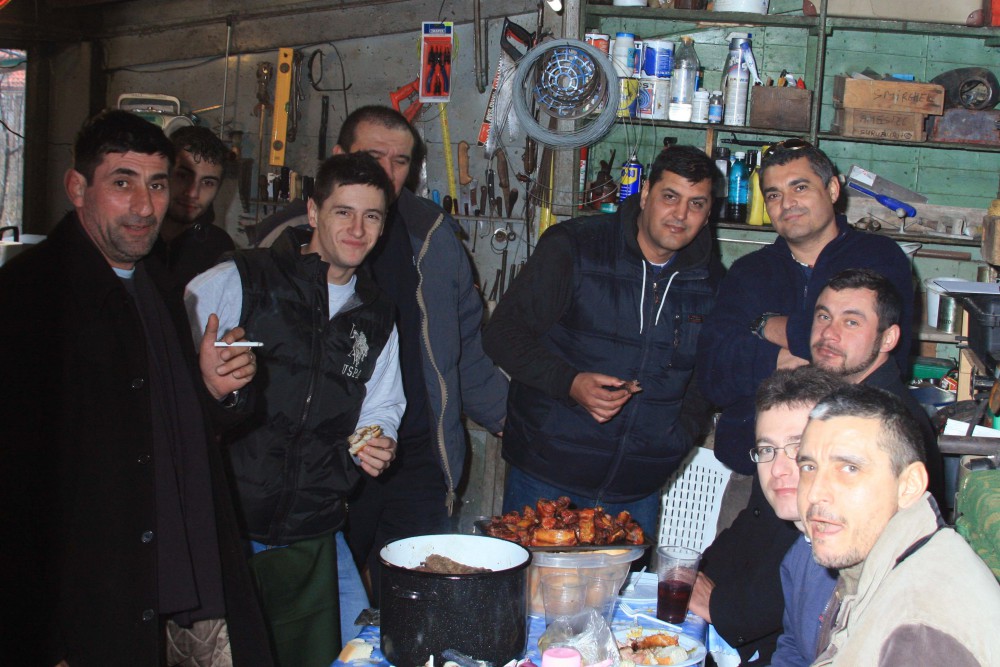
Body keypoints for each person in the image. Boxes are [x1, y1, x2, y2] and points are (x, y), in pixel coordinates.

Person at [0, 109, 272, 666]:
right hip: (85, 608)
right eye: (122, 183)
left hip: (165, 582)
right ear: (78, 188)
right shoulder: (27, 299)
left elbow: (159, 433)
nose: (145, 207)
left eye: (157, 185)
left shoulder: (158, 288)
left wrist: (212, 391)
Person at [185, 152, 404, 666]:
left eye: (371, 216)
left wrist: (378, 437)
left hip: (315, 527)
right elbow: (168, 385)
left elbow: (383, 402)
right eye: (343, 212)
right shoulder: (242, 279)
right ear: (312, 211)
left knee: (358, 655)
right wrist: (205, 383)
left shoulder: (377, 314)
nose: (357, 229)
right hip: (229, 527)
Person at [483, 145, 720, 533]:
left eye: (696, 204)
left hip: (637, 492)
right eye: (670, 196)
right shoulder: (576, 247)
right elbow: (502, 334)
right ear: (645, 193)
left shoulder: (711, 282)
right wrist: (570, 383)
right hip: (545, 478)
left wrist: (673, 441)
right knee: (531, 576)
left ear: (708, 213)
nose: (680, 214)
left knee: (626, 578)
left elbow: (704, 379)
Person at [696, 139, 915, 479]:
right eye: (774, 194)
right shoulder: (749, 273)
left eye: (800, 187)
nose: (787, 203)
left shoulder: (879, 258)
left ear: (832, 190)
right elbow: (713, 372)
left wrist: (766, 325)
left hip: (850, 466)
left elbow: (884, 359)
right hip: (760, 468)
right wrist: (775, 360)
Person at [799, 384, 1000, 666]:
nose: (814, 493)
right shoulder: (876, 561)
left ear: (909, 485)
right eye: (808, 467)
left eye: (849, 468)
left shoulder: (919, 634)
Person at [691, 367, 841, 666]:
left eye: (797, 448)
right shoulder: (803, 550)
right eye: (767, 449)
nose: (778, 469)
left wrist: (721, 608)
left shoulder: (845, 556)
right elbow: (790, 652)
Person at [810, 267, 944, 503]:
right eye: (824, 317)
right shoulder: (836, 397)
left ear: (887, 339)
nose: (829, 333)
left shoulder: (883, 421)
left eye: (851, 322)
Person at [150, 125, 235, 298]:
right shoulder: (134, 234)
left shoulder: (219, 248)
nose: (193, 193)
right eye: (183, 176)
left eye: (207, 183)